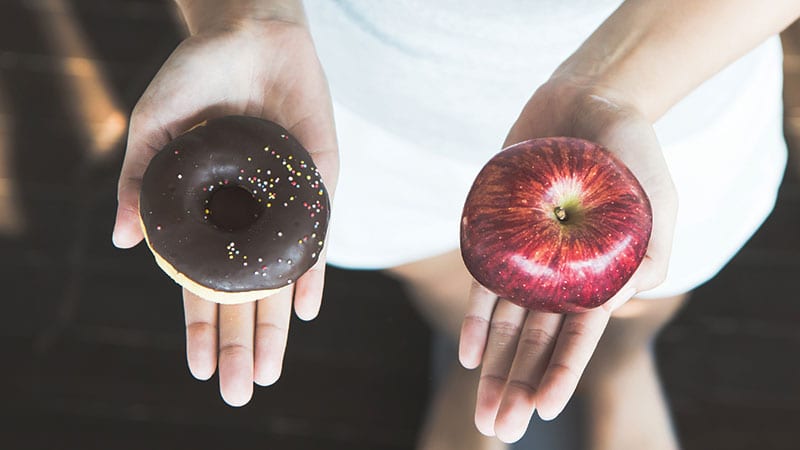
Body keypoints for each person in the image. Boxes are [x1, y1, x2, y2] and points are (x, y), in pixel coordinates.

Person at [112, 1, 800, 448]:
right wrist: (248, 17)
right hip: (337, 102)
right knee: (449, 279)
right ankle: (491, 364)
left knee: (635, 292)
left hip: (660, 93)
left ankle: (619, 358)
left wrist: (612, 89)